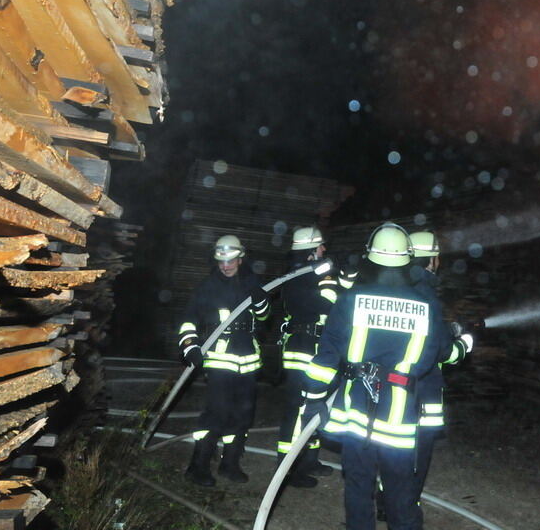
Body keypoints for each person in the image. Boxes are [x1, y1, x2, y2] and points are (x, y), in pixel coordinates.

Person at [299, 223, 449, 530]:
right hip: (401, 416)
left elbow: (326, 359)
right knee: (401, 494)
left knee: (358, 487)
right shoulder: (428, 304)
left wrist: (313, 400)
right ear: (408, 258)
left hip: (357, 413)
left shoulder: (350, 300)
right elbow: (437, 353)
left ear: (370, 256)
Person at [177, 235, 270, 487]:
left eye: (230, 261)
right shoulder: (208, 287)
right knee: (216, 415)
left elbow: (263, 317)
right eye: (221, 262)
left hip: (249, 361)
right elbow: (188, 320)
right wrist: (190, 347)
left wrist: (261, 299)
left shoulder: (252, 282)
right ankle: (197, 467)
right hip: (220, 360)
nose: (225, 266)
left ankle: (230, 464)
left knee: (242, 416)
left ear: (240, 258)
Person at [405, 231, 473, 522]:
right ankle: (405, 506)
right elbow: (441, 351)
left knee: (395, 449)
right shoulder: (427, 294)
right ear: (432, 259)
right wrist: (463, 344)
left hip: (394, 387)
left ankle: (387, 497)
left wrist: (447, 330)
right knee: (418, 451)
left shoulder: (400, 287)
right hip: (423, 387)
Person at [276, 226, 336, 488]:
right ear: (311, 251)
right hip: (301, 350)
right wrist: (330, 280)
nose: (324, 250)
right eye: (320, 247)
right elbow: (327, 303)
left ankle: (309, 460)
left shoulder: (310, 273)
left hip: (315, 347)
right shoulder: (297, 278)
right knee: (297, 410)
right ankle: (288, 469)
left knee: (314, 408)